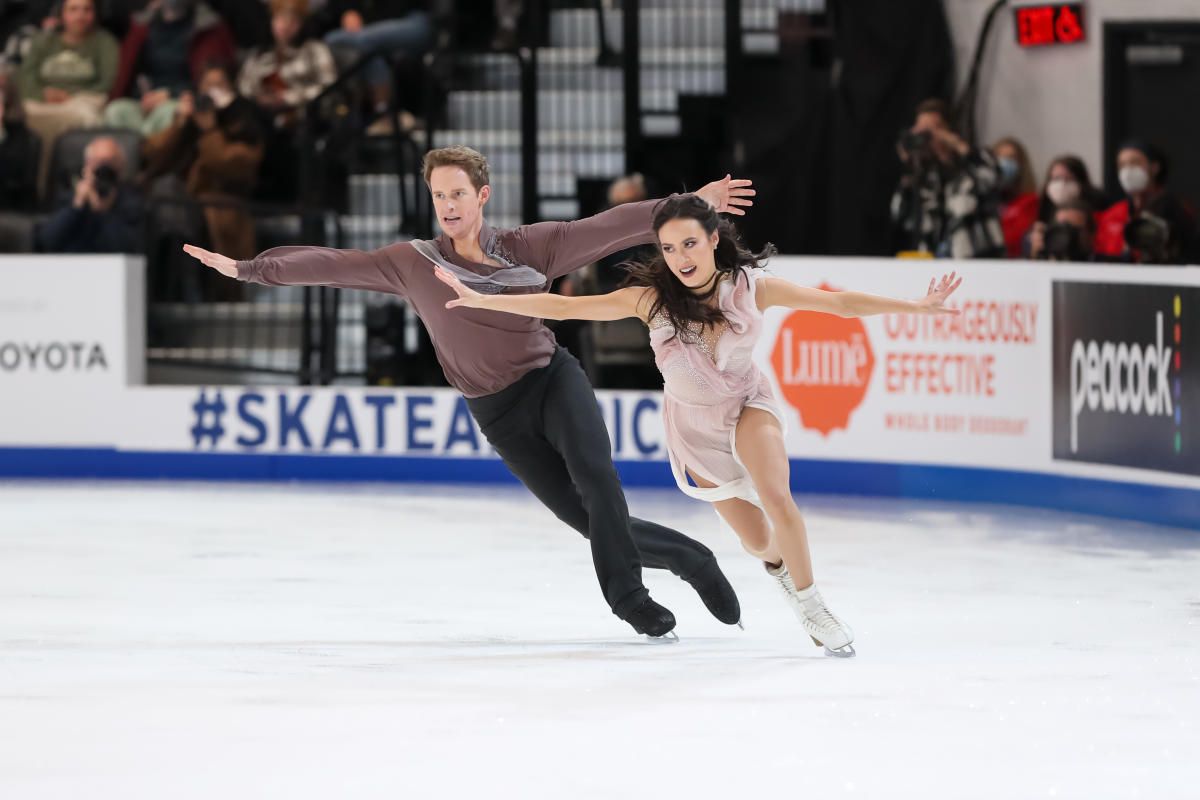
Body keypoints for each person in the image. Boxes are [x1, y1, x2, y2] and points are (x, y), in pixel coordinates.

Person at [182, 146, 752, 640]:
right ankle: (691, 558)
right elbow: (334, 264)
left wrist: (686, 205)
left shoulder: (531, 249)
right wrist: (250, 269)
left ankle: (629, 602)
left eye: (457, 192)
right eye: (438, 195)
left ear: (482, 195)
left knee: (598, 479)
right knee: (586, 520)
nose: (448, 205)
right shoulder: (413, 263)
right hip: (496, 414)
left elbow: (608, 226)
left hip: (552, 380)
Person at [435, 194, 964, 655]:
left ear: (712, 239)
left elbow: (838, 303)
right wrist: (485, 300)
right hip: (695, 432)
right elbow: (565, 306)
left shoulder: (751, 287)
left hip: (747, 403)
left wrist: (917, 307)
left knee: (777, 497)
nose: (679, 258)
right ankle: (780, 568)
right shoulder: (650, 301)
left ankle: (813, 606)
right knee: (759, 542)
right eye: (667, 249)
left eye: (688, 244)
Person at [15, 0, 118, 195]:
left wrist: (70, 96)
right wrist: (43, 94)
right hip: (42, 101)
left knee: (86, 115)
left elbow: (107, 83)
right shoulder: (43, 41)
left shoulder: (105, 42)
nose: (80, 15)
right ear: (62, 14)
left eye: (87, 9)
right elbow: (25, 77)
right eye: (73, 9)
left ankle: (77, 186)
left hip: (82, 100)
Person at [891, 98, 1004, 258]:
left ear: (946, 129)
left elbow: (993, 179)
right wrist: (910, 168)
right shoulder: (926, 175)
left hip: (980, 261)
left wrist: (956, 144)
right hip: (939, 269)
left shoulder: (973, 161)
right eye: (919, 129)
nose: (924, 136)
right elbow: (901, 217)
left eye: (929, 129)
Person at [104, 0, 236, 136]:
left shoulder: (208, 26)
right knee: (116, 110)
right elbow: (129, 74)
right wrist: (144, 96)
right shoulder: (143, 25)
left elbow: (210, 82)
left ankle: (145, 152)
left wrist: (170, 94)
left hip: (182, 100)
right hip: (146, 99)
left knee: (167, 113)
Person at [34, 134, 143, 252]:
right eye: (98, 162)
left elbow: (126, 251)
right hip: (69, 266)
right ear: (86, 166)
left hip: (109, 268)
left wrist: (102, 212)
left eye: (109, 162)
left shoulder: (130, 201)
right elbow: (46, 242)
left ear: (121, 167)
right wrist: (76, 206)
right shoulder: (70, 194)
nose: (103, 169)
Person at [1096, 140, 1198, 264]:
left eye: (1135, 162)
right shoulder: (1114, 213)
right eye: (1121, 165)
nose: (1127, 170)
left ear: (1155, 167)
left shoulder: (1176, 209)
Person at [990, 137, 1037, 258]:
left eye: (1011, 157)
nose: (1004, 162)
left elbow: (1015, 238)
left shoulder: (1030, 201)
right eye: (999, 157)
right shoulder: (983, 201)